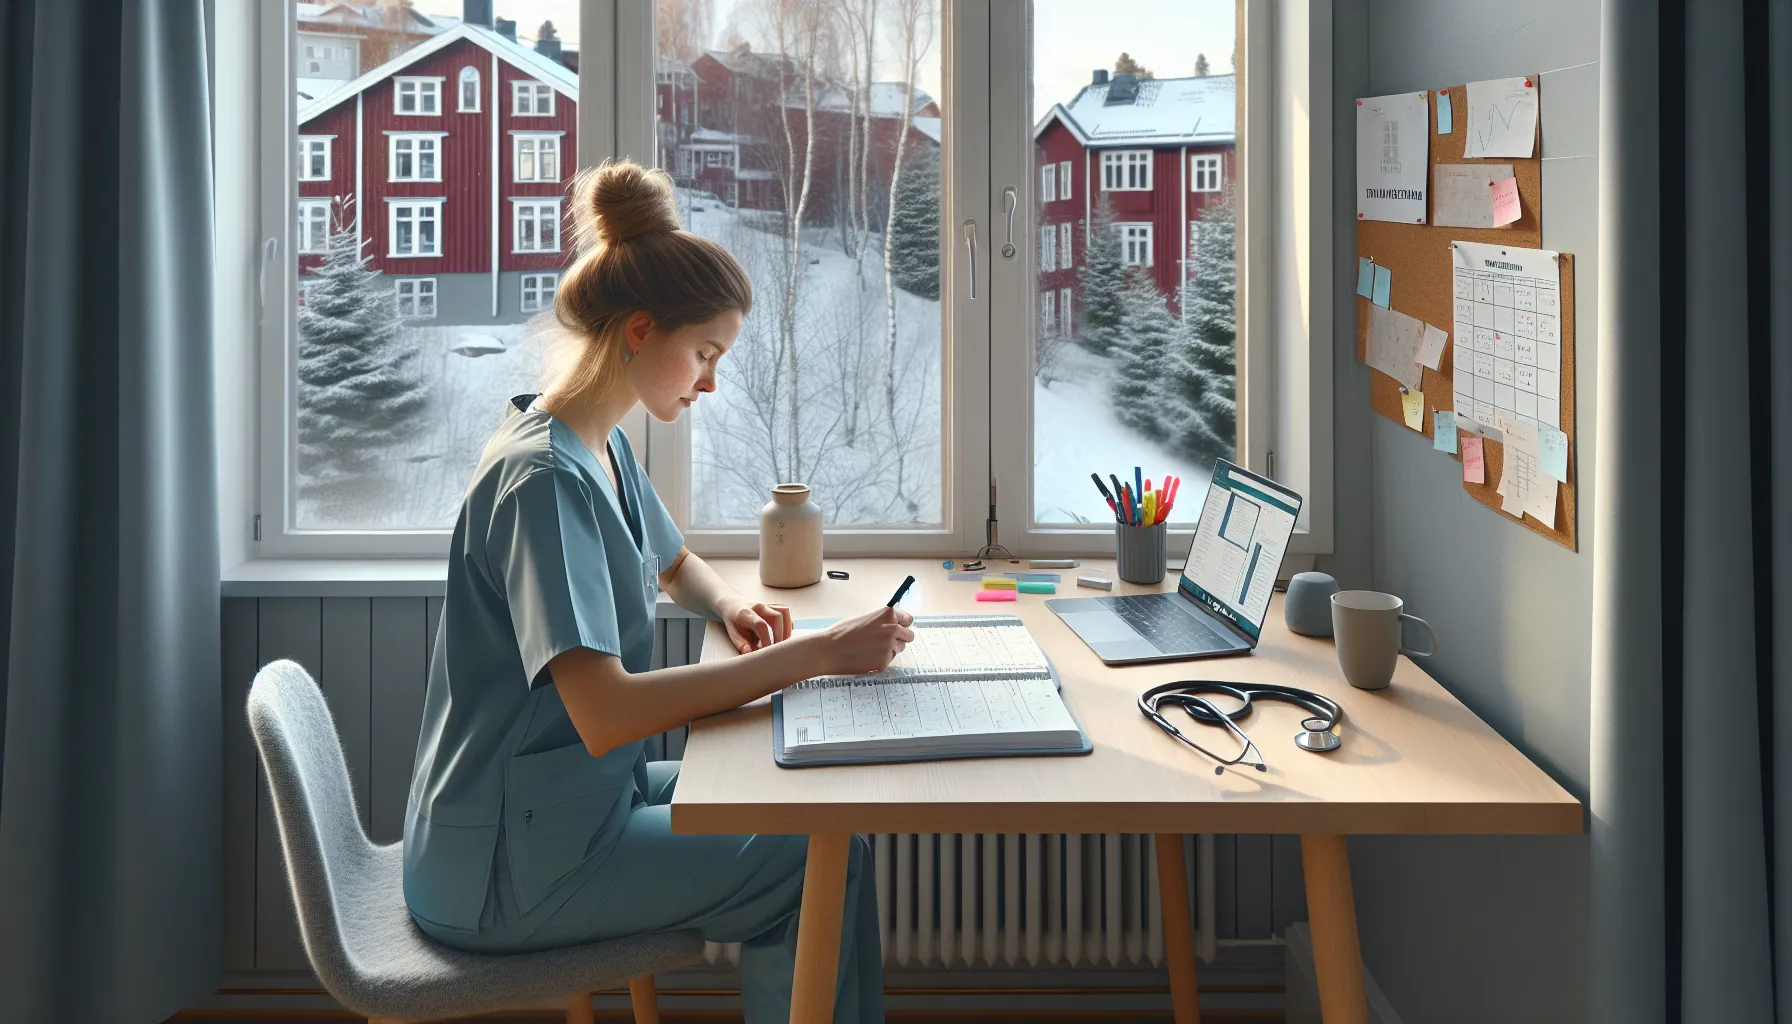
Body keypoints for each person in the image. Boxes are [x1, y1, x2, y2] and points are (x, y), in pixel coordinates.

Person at [402, 159, 911, 1023]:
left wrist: (728, 606)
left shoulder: (591, 443)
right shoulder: (545, 484)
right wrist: (812, 655)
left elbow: (674, 562)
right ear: (641, 328)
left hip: (568, 809)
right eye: (705, 354)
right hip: (506, 869)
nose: (710, 381)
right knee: (807, 862)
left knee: (831, 829)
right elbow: (604, 713)